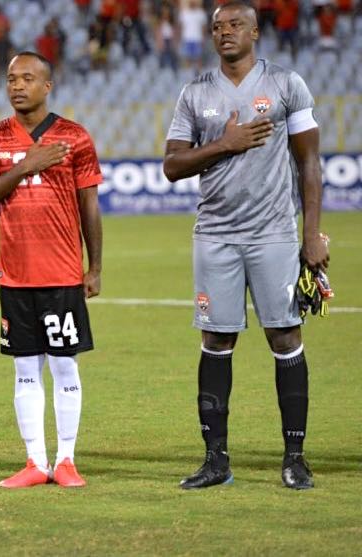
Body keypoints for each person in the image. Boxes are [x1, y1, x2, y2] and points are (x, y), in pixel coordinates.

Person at [163, 1, 327, 490]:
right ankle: (216, 460)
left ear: (255, 31)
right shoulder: (194, 93)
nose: (224, 32)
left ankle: (294, 457)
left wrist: (312, 234)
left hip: (274, 233)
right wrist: (224, 144)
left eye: (235, 24)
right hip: (215, 235)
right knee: (216, 340)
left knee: (285, 337)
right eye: (216, 27)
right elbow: (172, 165)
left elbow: (310, 163)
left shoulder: (285, 84)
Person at [0, 52, 103, 489]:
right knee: (25, 369)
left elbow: (89, 206)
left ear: (48, 85)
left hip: (62, 274)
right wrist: (25, 166)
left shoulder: (74, 138)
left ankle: (66, 460)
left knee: (64, 367)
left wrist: (94, 266)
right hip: (15, 274)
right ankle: (35, 461)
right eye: (11, 79)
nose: (17, 85)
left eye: (27, 78)